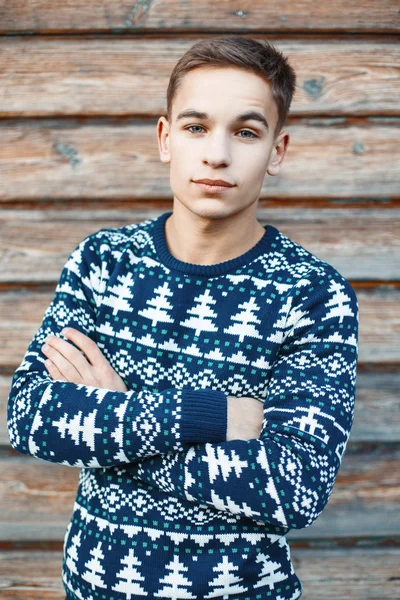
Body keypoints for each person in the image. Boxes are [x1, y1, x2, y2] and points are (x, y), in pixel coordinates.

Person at [7, 36, 359, 599]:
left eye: (246, 131)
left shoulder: (312, 294)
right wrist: (212, 415)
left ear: (278, 149)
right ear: (166, 138)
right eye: (196, 127)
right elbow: (32, 416)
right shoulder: (104, 263)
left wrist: (115, 419)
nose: (217, 154)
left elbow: (296, 487)